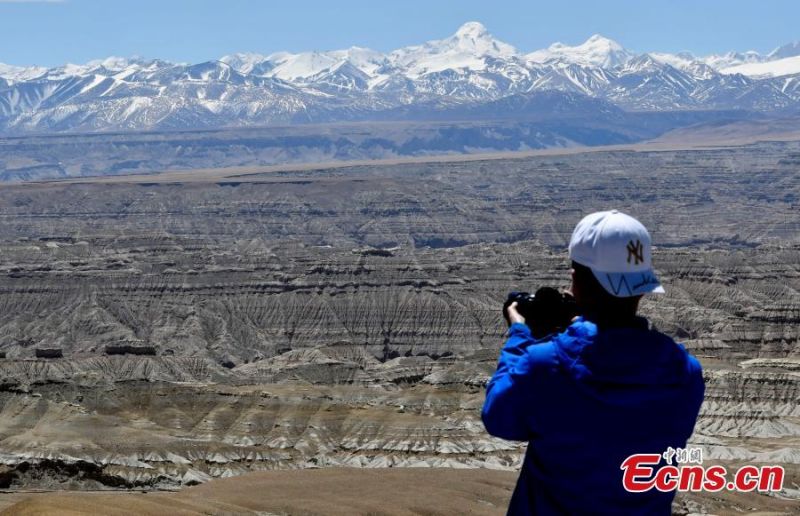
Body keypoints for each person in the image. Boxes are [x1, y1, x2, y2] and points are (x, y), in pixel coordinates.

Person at [482, 210, 705, 515]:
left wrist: (520, 335)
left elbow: (498, 418)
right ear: (642, 287)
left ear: (576, 282)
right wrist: (578, 325)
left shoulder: (546, 364)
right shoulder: (685, 372)